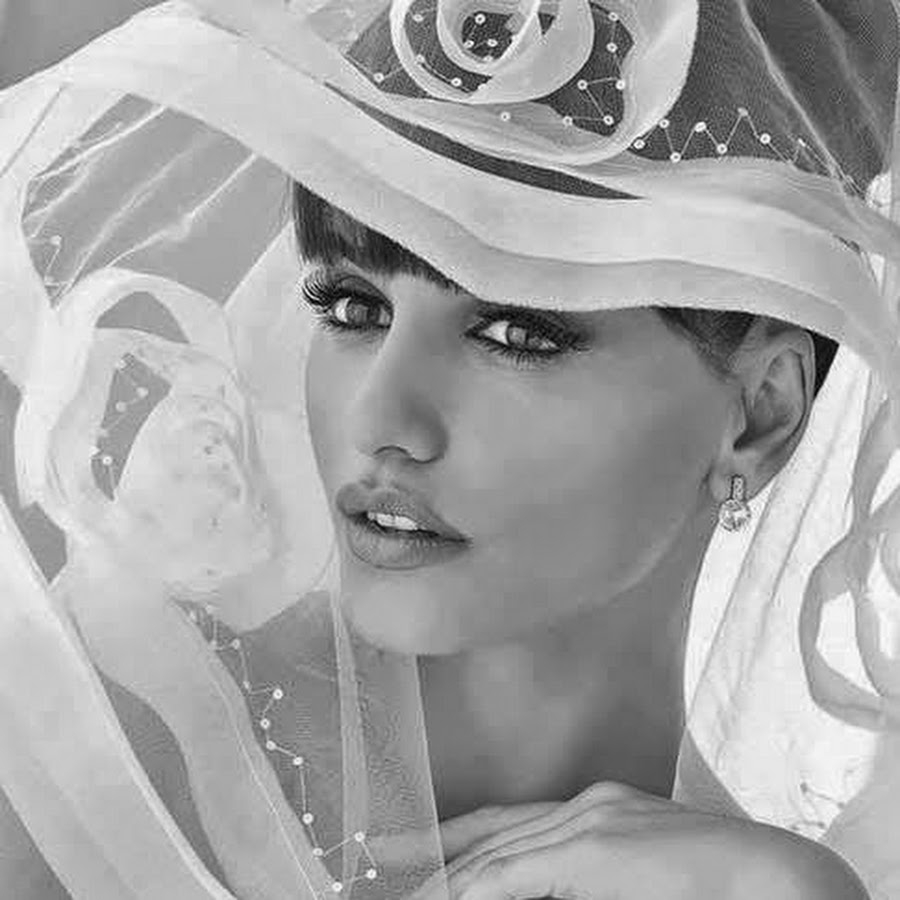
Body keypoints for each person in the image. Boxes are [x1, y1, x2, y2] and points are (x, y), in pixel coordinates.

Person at [0, 0, 899, 899]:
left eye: (515, 333)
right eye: (354, 307)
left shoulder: (757, 880)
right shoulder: (90, 749)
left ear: (759, 416)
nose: (380, 418)